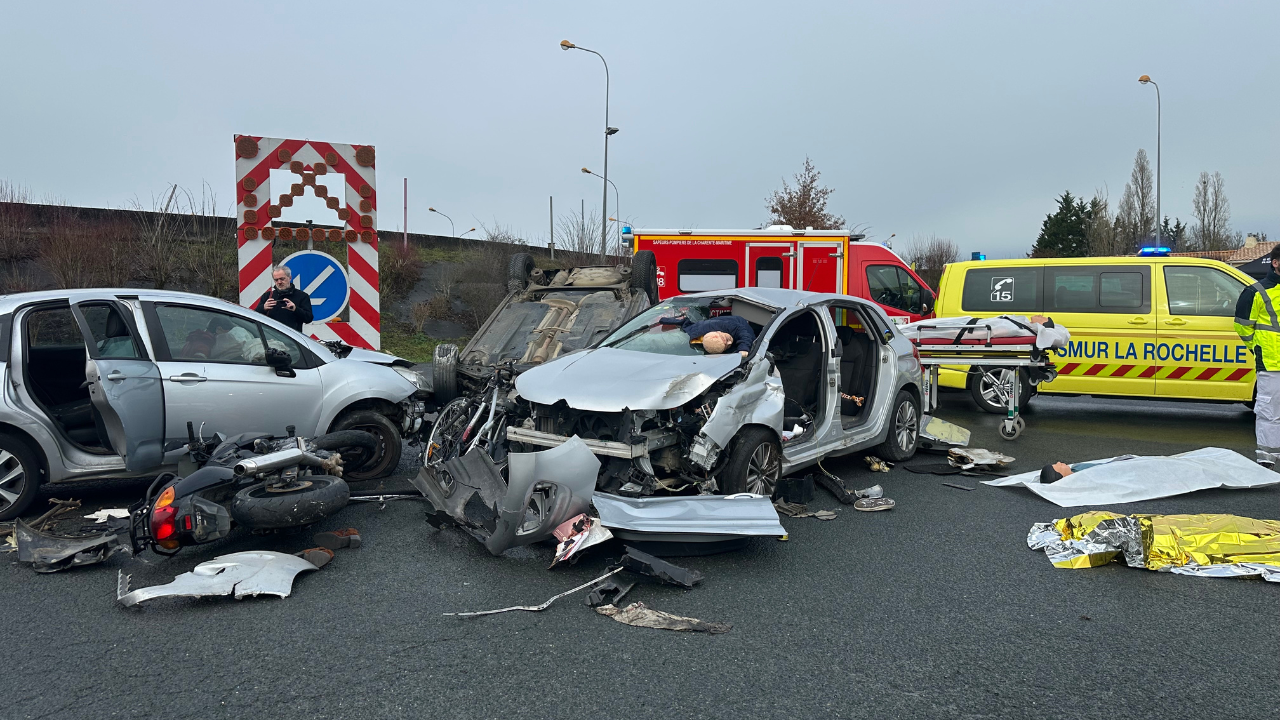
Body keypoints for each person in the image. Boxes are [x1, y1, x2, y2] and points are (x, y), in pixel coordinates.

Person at [1234, 244, 1280, 467]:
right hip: (1271, 363)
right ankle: (1267, 459)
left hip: (1271, 361)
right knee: (1269, 412)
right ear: (1276, 263)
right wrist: (1259, 349)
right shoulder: (1256, 292)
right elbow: (1243, 327)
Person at [658, 313, 755, 357]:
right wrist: (664, 320)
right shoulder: (694, 334)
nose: (730, 342)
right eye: (726, 344)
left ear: (719, 332)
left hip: (739, 322)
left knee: (752, 339)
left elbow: (742, 332)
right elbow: (685, 324)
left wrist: (744, 348)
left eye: (726, 339)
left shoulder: (724, 326)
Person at [251, 265, 314, 332]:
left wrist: (295, 309)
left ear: (290, 278)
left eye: (282, 279)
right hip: (270, 336)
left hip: (292, 336)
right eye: (276, 280)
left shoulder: (302, 296)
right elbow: (254, 316)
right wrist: (263, 308)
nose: (279, 282)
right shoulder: (268, 296)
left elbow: (308, 318)